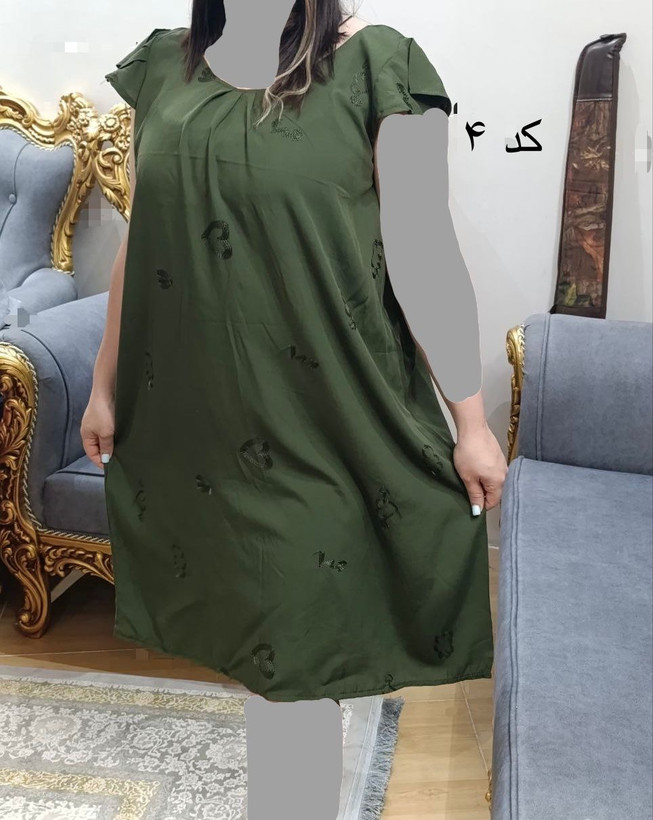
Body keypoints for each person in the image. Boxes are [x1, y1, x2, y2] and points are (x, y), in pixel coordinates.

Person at [84, 2, 508, 816]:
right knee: (259, 661)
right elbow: (143, 242)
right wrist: (104, 385)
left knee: (293, 669)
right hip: (195, 429)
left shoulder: (377, 66)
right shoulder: (166, 67)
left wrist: (470, 419)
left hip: (326, 424)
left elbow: (422, 249)